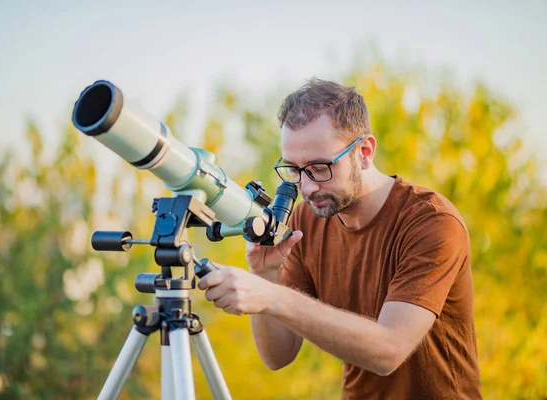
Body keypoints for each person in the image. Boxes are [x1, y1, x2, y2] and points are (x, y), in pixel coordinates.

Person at [198, 78, 482, 399]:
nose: (305, 188)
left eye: (319, 168)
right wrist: (266, 275)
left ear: (364, 152)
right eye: (293, 169)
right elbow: (278, 356)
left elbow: (388, 351)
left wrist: (273, 296)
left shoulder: (430, 221)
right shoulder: (307, 219)